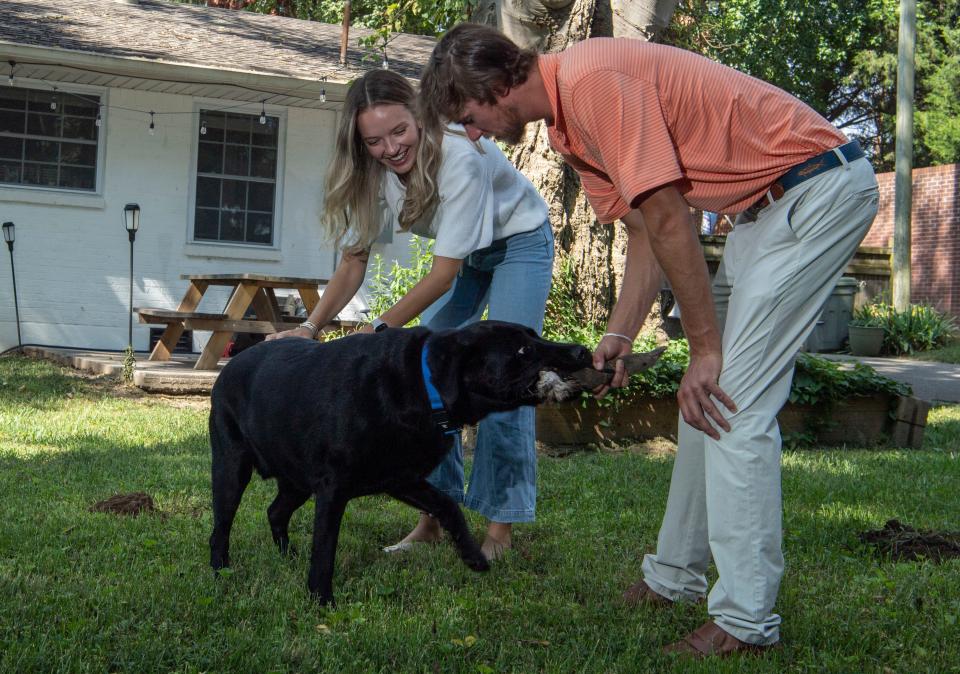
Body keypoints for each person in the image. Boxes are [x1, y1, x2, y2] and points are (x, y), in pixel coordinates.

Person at [419, 24, 878, 655]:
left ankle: (746, 622)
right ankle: (674, 576)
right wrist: (619, 331)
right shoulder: (567, 127)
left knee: (733, 408)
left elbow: (669, 218)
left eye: (468, 118)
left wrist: (705, 348)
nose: (473, 134)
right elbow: (642, 231)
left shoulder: (593, 80)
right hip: (761, 213)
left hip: (817, 190)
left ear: (496, 86)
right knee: (706, 404)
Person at [267, 69, 555, 562]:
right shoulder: (374, 174)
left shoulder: (460, 158)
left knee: (507, 382)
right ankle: (433, 519)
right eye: (374, 140)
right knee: (425, 381)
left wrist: (378, 331)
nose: (390, 148)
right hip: (467, 258)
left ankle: (499, 531)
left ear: (419, 117)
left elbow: (443, 274)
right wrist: (311, 328)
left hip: (518, 244)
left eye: (398, 131)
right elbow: (353, 261)